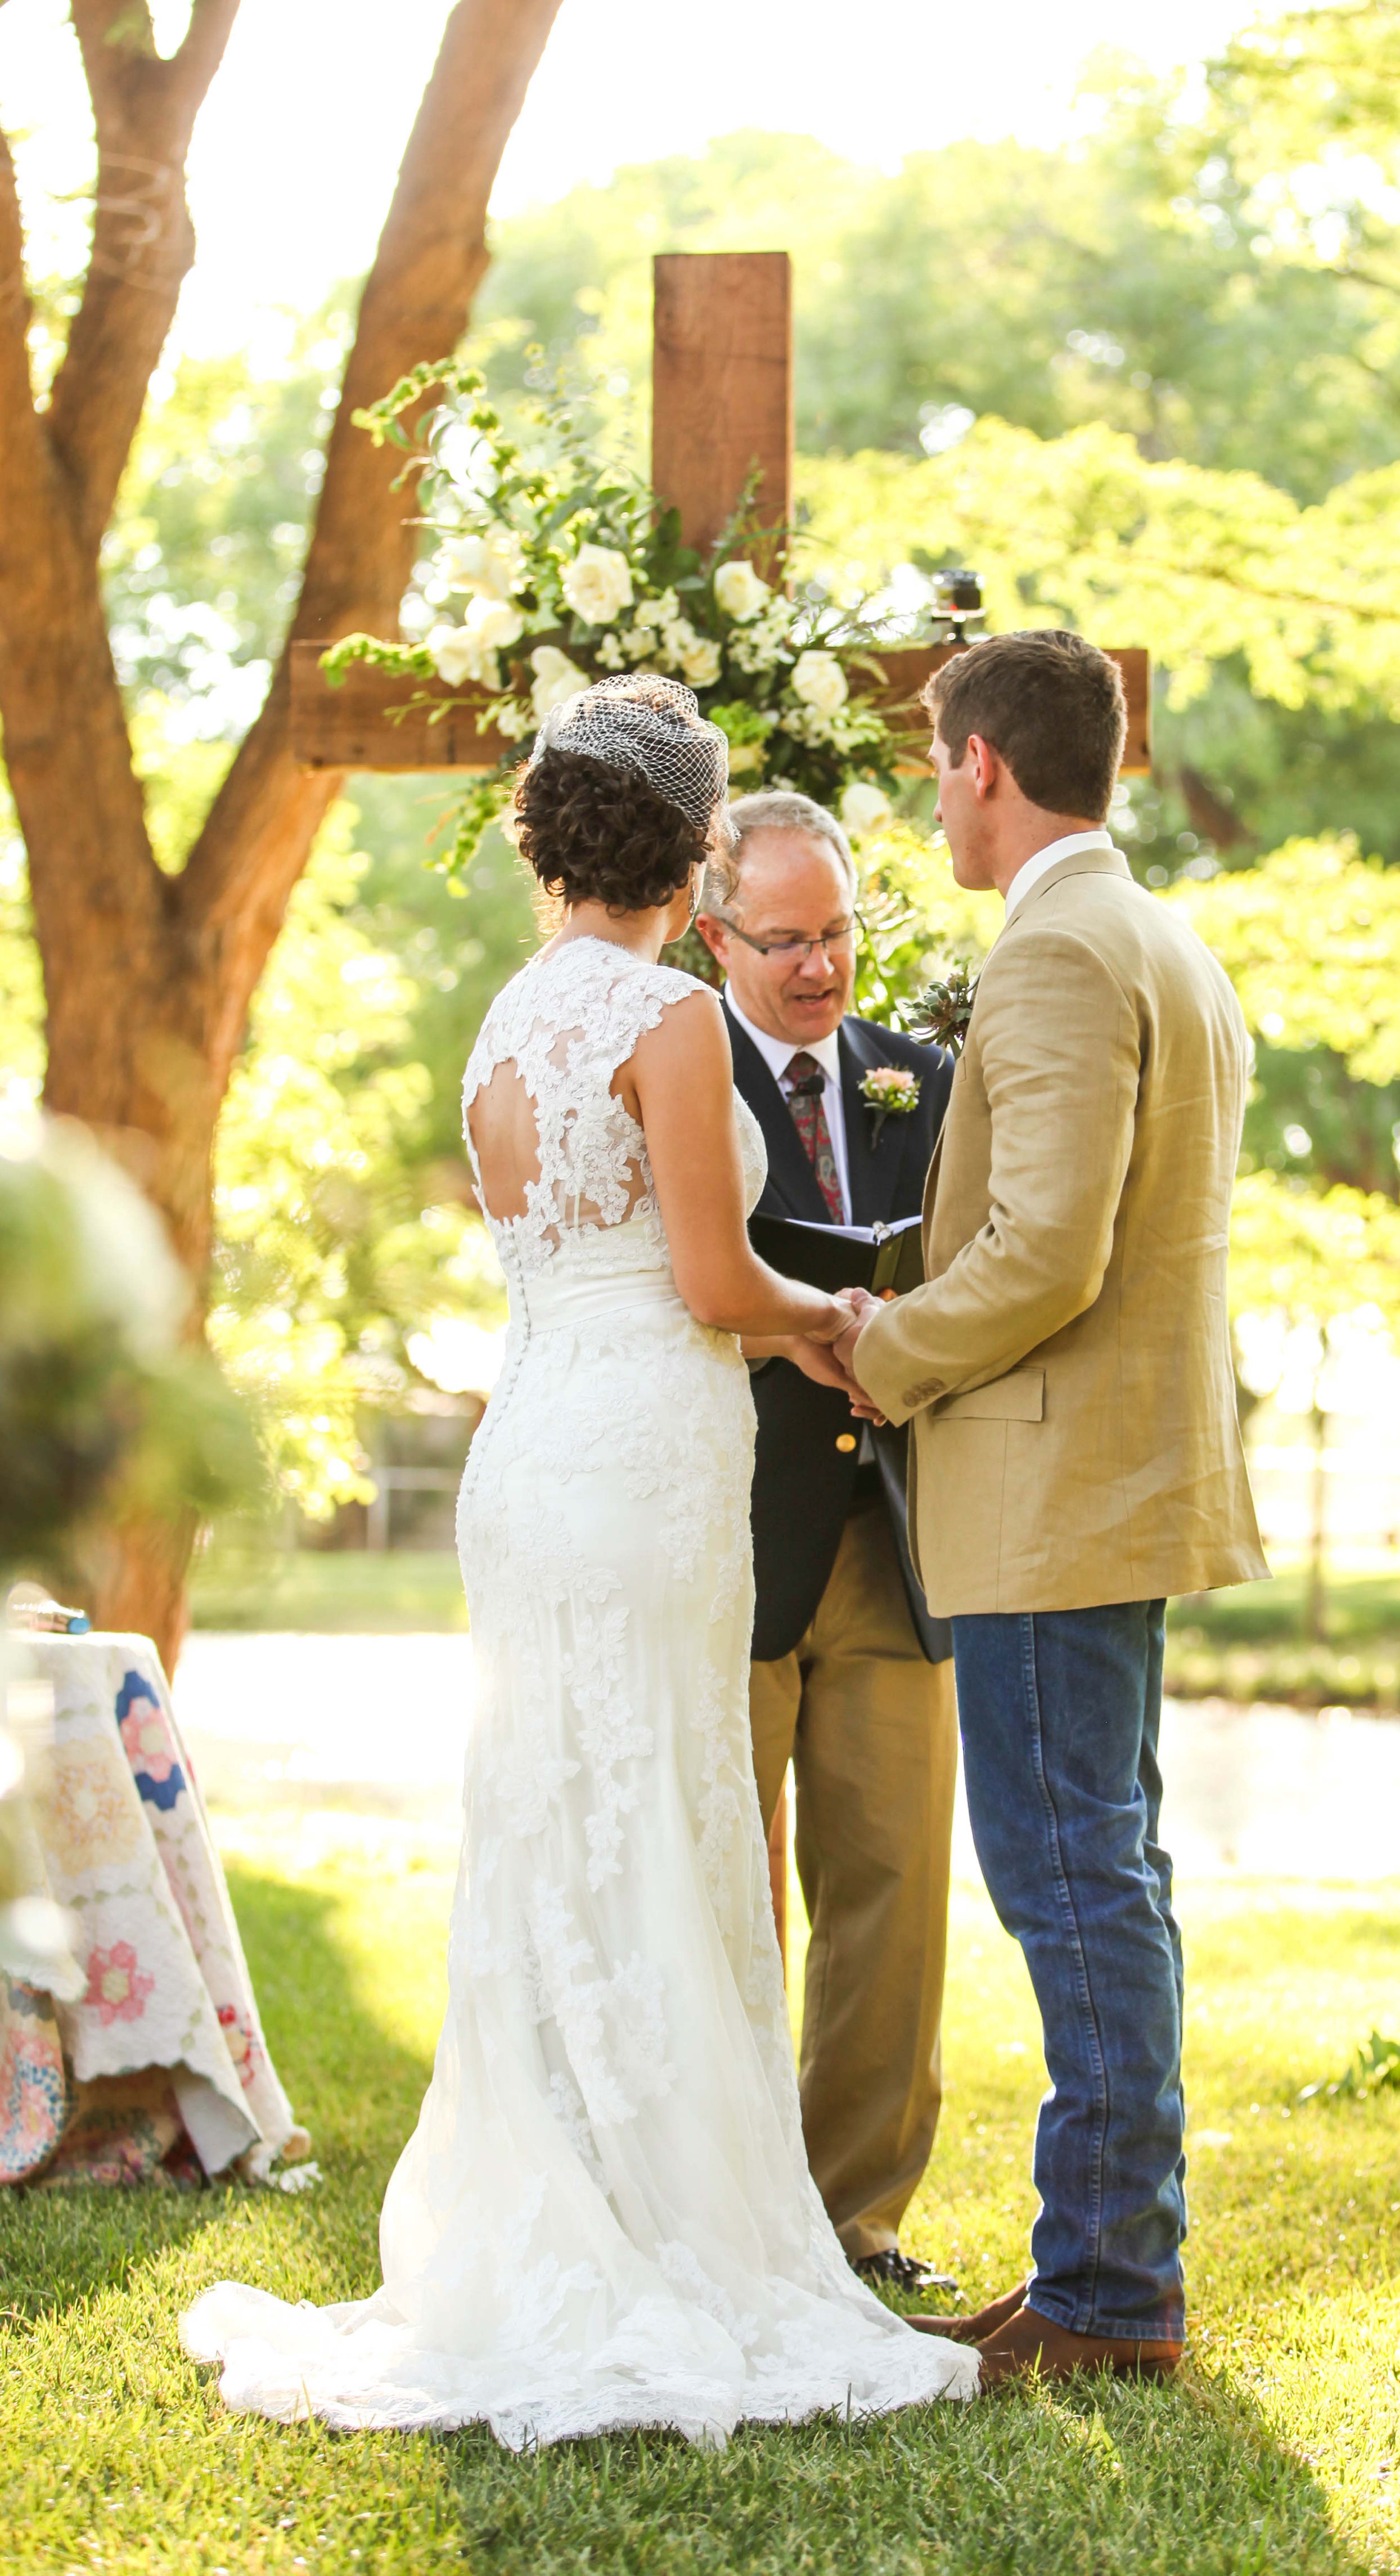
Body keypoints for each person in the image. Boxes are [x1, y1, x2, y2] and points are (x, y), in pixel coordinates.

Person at [182, 677, 978, 2446]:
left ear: (551, 838)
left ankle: (559, 2211)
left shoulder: (502, 1025)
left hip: (536, 1452)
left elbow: (568, 1261)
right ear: (693, 850)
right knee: (672, 1815)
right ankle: (676, 2238)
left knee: (555, 1824)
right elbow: (709, 1286)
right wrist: (842, 1316)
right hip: (647, 1452)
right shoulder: (669, 1020)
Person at [835, 630, 1267, 2390]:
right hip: (1106, 1482)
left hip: (1049, 1490)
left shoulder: (1062, 952)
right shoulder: (1157, 936)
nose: (937, 795)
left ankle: (1107, 2297)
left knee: (1076, 1886)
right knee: (1107, 1873)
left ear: (991, 764)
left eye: (940, 765)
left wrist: (885, 1350)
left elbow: (1046, 1249)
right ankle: (1096, 2268)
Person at [695, 791, 956, 2295]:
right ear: (716, 933)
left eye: (838, 931)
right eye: (785, 938)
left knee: (893, 1886)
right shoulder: (671, 1065)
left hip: (899, 1540)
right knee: (724, 1882)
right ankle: (729, 2216)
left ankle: (854, 2221)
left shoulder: (921, 1078)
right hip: (727, 1536)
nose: (818, 966)